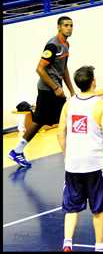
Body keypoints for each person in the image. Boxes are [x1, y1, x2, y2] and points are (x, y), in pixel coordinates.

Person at [57, 66, 103, 252]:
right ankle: (100, 246)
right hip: (94, 164)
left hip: (73, 165)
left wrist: (66, 153)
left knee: (71, 207)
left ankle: (67, 243)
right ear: (93, 81)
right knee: (99, 207)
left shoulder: (69, 104)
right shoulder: (102, 105)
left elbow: (60, 132)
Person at [9, 16, 75, 168]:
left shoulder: (66, 45)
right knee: (64, 117)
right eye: (66, 25)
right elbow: (39, 69)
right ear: (59, 27)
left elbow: (64, 68)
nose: (69, 28)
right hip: (47, 90)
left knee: (41, 121)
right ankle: (72, 151)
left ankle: (17, 151)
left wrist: (71, 90)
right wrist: (56, 88)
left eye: (71, 25)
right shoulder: (53, 45)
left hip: (55, 89)